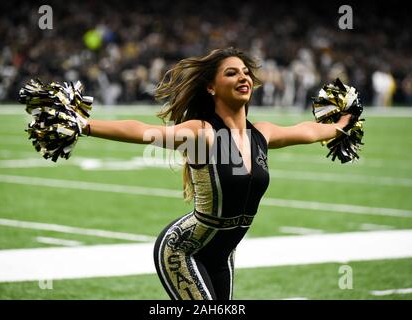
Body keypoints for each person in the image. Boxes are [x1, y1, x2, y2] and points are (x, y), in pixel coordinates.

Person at [81, 48, 351, 300]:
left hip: (223, 256)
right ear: (211, 87)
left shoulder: (261, 133)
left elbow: (310, 131)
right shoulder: (202, 132)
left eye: (245, 72)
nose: (243, 76)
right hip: (183, 251)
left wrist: (343, 122)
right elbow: (142, 131)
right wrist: (85, 125)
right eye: (231, 73)